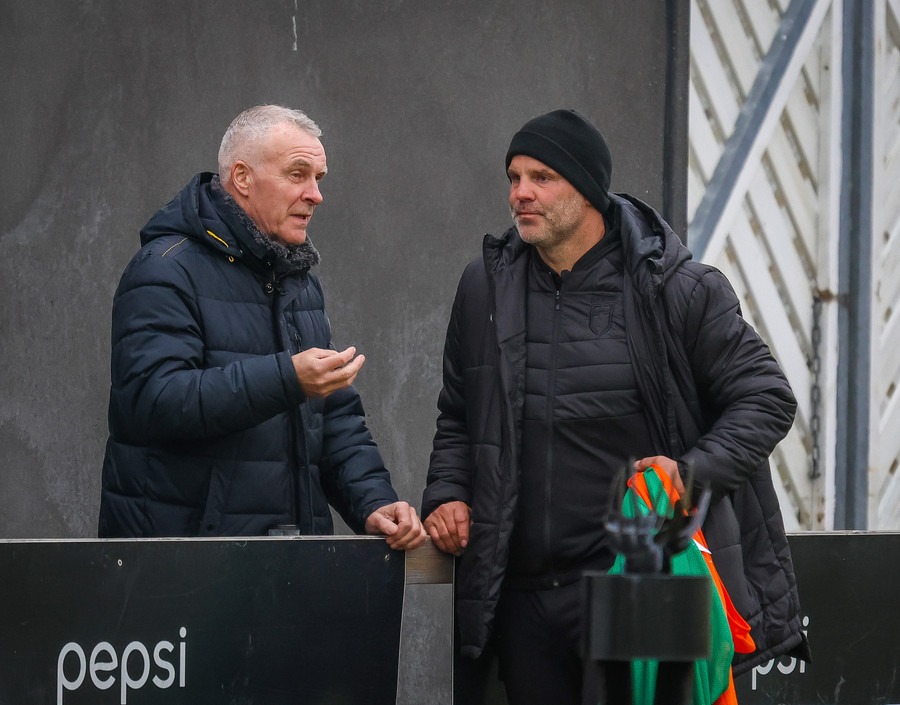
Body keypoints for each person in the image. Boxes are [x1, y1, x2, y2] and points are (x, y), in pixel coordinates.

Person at [422, 109, 809, 704]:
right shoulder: (484, 287)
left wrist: (690, 474)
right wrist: (448, 492)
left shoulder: (675, 287)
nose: (520, 193)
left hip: (640, 587)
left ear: (587, 189)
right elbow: (459, 413)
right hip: (524, 597)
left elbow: (767, 396)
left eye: (542, 177)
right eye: (514, 177)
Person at [99, 104, 426, 551]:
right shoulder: (165, 269)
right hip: (184, 567)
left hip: (290, 563)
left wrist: (373, 502)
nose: (315, 195)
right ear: (242, 178)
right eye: (297, 174)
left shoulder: (298, 280)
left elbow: (333, 418)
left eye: (318, 178)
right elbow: (154, 400)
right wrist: (287, 379)